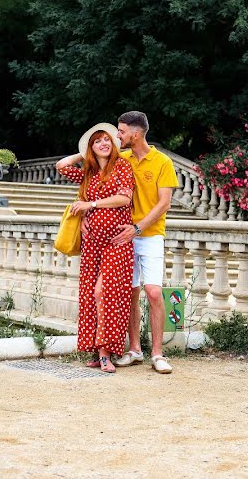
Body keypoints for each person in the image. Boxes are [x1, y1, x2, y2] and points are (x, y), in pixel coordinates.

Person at [55, 123, 135, 373]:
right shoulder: (88, 172)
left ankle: (105, 353)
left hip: (116, 242)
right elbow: (62, 166)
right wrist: (83, 150)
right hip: (92, 243)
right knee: (91, 295)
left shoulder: (122, 166)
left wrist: (91, 205)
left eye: (107, 140)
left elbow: (125, 198)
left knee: (105, 292)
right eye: (97, 141)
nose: (104, 143)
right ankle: (94, 349)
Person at [111, 111, 178, 374]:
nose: (118, 135)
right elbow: (91, 160)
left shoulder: (163, 162)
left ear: (135, 134)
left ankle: (158, 354)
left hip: (149, 235)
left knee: (153, 292)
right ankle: (135, 350)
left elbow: (165, 203)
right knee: (131, 293)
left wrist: (137, 228)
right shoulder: (122, 159)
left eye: (121, 131)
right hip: (123, 235)